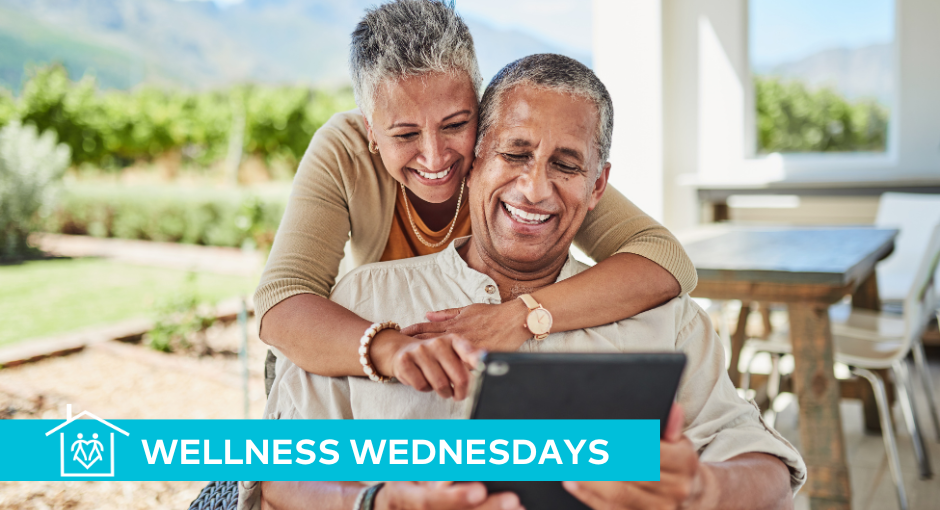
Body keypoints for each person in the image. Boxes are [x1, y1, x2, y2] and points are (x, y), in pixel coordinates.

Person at [240, 53, 806, 510]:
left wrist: (705, 490)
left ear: (597, 185)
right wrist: (381, 500)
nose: (535, 189)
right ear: (475, 160)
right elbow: (276, 476)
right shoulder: (362, 301)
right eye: (515, 153)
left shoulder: (667, 318)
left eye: (566, 165)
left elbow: (770, 473)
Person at [254, 0, 698, 397]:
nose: (435, 156)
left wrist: (523, 316)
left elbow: (663, 259)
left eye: (455, 124)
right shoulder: (344, 151)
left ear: (482, 108)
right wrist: (390, 349)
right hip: (357, 360)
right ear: (372, 130)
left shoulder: (514, 155)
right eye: (405, 134)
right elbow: (281, 299)